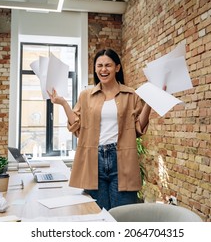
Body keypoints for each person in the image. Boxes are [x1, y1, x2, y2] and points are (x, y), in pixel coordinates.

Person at [48, 48, 152, 210]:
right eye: (100, 65)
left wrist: (150, 103)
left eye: (108, 65)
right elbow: (77, 126)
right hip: (93, 160)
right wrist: (63, 103)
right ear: (95, 68)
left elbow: (138, 128)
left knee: (123, 215)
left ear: (117, 67)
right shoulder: (86, 95)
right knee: (96, 214)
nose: (103, 70)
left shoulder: (130, 95)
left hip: (122, 160)